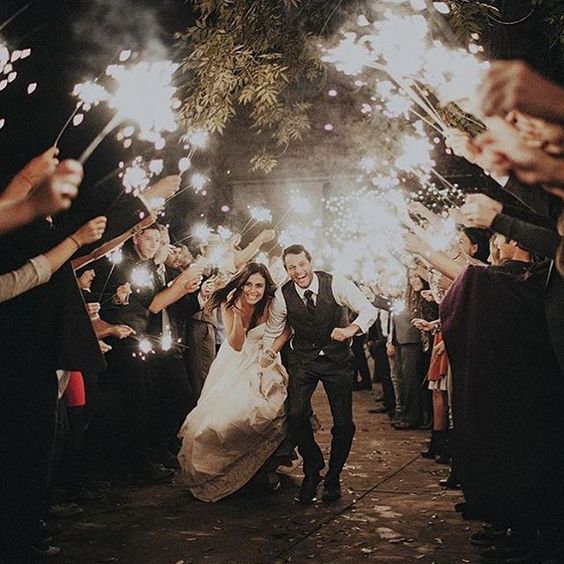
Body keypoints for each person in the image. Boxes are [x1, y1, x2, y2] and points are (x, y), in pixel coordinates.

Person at [263, 244, 378, 504]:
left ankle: (333, 477)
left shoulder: (336, 284)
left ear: (310, 262)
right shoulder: (283, 295)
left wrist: (351, 330)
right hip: (303, 360)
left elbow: (369, 309)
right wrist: (267, 358)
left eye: (302, 264)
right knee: (294, 415)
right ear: (286, 269)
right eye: (291, 267)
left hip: (337, 361)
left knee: (344, 424)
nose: (298, 271)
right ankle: (312, 468)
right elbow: (274, 330)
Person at [177, 263, 291, 502]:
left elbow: (286, 330)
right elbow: (237, 344)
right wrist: (238, 315)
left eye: (259, 285)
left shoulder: (272, 302)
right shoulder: (229, 305)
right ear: (241, 285)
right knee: (228, 417)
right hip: (236, 360)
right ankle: (231, 471)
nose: (253, 290)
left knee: (270, 410)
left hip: (265, 357)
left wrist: (271, 352)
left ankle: (266, 467)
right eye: (248, 284)